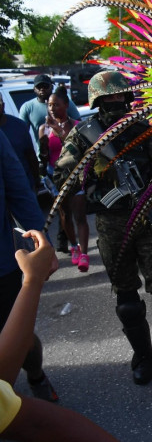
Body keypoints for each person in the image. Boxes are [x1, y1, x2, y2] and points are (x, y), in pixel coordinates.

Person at [54, 71, 152, 390]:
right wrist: (95, 187)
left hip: (146, 220)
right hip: (112, 224)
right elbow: (62, 178)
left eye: (120, 97)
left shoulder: (142, 131)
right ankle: (144, 359)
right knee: (127, 299)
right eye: (109, 98)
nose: (116, 102)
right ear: (97, 101)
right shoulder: (83, 134)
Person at [0, 229, 119, 442]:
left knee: (21, 338)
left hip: (5, 265)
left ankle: (36, 376)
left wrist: (42, 252)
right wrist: (32, 281)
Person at [0, 130, 58, 404]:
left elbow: (18, 190)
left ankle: (35, 376)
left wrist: (42, 244)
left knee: (18, 334)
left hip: (2, 265)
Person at [38, 87, 90, 271]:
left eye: (56, 104)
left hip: (76, 175)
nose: (52, 108)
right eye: (50, 105)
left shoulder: (77, 125)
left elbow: (79, 149)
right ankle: (74, 246)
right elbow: (44, 156)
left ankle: (84, 254)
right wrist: (43, 145)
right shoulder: (43, 128)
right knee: (65, 215)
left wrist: (59, 133)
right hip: (56, 177)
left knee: (80, 215)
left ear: (66, 105)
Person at [0, 97, 39, 191]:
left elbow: (31, 156)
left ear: (3, 105)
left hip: (22, 185)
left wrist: (36, 181)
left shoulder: (19, 125)